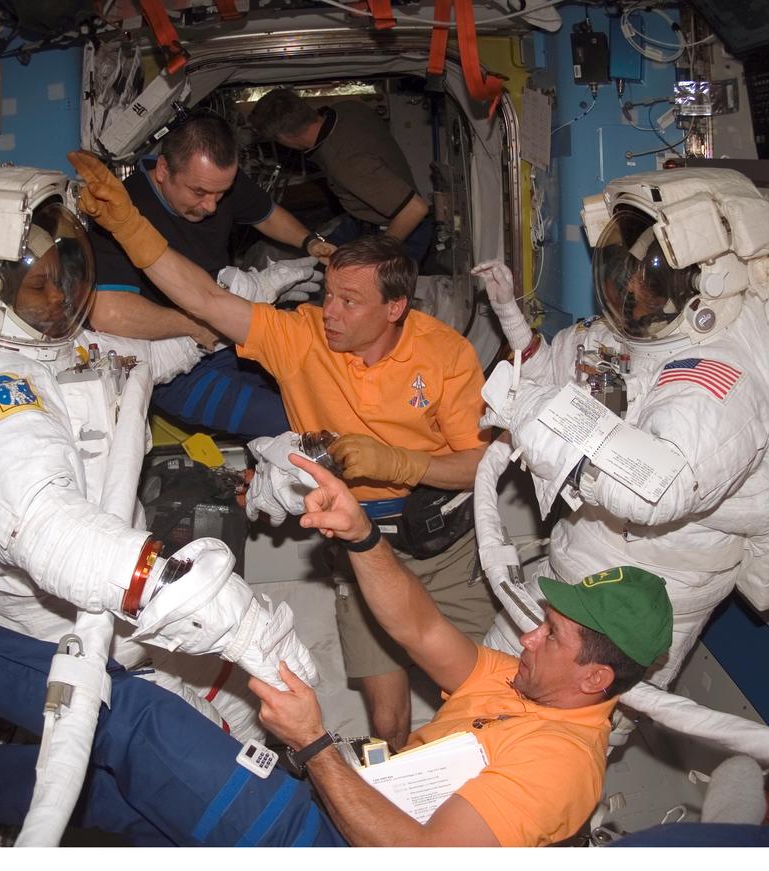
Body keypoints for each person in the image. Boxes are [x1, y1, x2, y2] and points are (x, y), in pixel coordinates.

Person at [0, 454, 674, 847]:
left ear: (596, 676)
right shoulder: (533, 685)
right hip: (346, 806)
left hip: (338, 845)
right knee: (104, 793)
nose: (529, 633)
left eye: (554, 634)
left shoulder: (562, 764)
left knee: (138, 719)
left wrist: (314, 744)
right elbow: (421, 629)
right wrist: (362, 533)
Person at [0, 166, 314, 734]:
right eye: (39, 285)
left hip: (125, 588)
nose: (58, 296)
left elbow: (142, 360)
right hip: (68, 624)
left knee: (243, 706)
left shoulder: (40, 342)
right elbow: (53, 533)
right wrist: (239, 622)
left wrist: (252, 304)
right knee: (200, 751)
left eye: (64, 275)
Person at [68, 148, 492, 751]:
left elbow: (480, 463)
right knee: (390, 720)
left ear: (395, 308)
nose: (329, 313)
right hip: (363, 548)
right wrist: (127, 224)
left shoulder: (445, 353)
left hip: (445, 541)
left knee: (474, 701)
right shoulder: (299, 339)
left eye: (350, 302)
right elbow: (207, 301)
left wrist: (400, 464)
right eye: (329, 295)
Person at [476, 168, 769, 693]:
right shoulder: (629, 340)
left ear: (706, 284)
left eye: (649, 277)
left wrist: (546, 427)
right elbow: (551, 377)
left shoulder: (721, 376)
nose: (632, 287)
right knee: (481, 685)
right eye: (627, 270)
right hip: (574, 571)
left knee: (550, 743)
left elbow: (656, 487)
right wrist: (512, 320)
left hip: (631, 610)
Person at [85, 113, 336, 437]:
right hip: (178, 370)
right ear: (163, 170)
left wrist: (310, 242)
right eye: (200, 193)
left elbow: (267, 214)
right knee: (295, 425)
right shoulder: (119, 211)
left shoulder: (216, 181)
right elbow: (109, 313)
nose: (212, 206)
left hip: (229, 339)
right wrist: (196, 324)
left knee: (320, 396)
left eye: (220, 194)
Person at [249, 89, 433, 262]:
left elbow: (415, 208)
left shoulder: (346, 163)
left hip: (401, 230)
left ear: (285, 137)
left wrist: (378, 255)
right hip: (363, 221)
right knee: (318, 258)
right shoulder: (348, 108)